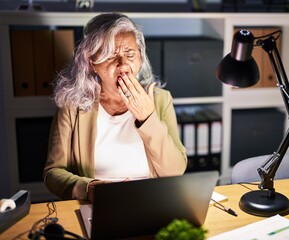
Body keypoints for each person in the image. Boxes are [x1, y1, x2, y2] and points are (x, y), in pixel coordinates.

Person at [43, 12, 187, 202]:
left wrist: (147, 118)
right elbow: (53, 173)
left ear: (140, 58)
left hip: (151, 202)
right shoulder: (72, 105)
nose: (123, 64)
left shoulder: (160, 100)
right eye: (111, 56)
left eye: (130, 54)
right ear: (92, 62)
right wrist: (89, 188)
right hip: (99, 204)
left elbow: (175, 171)